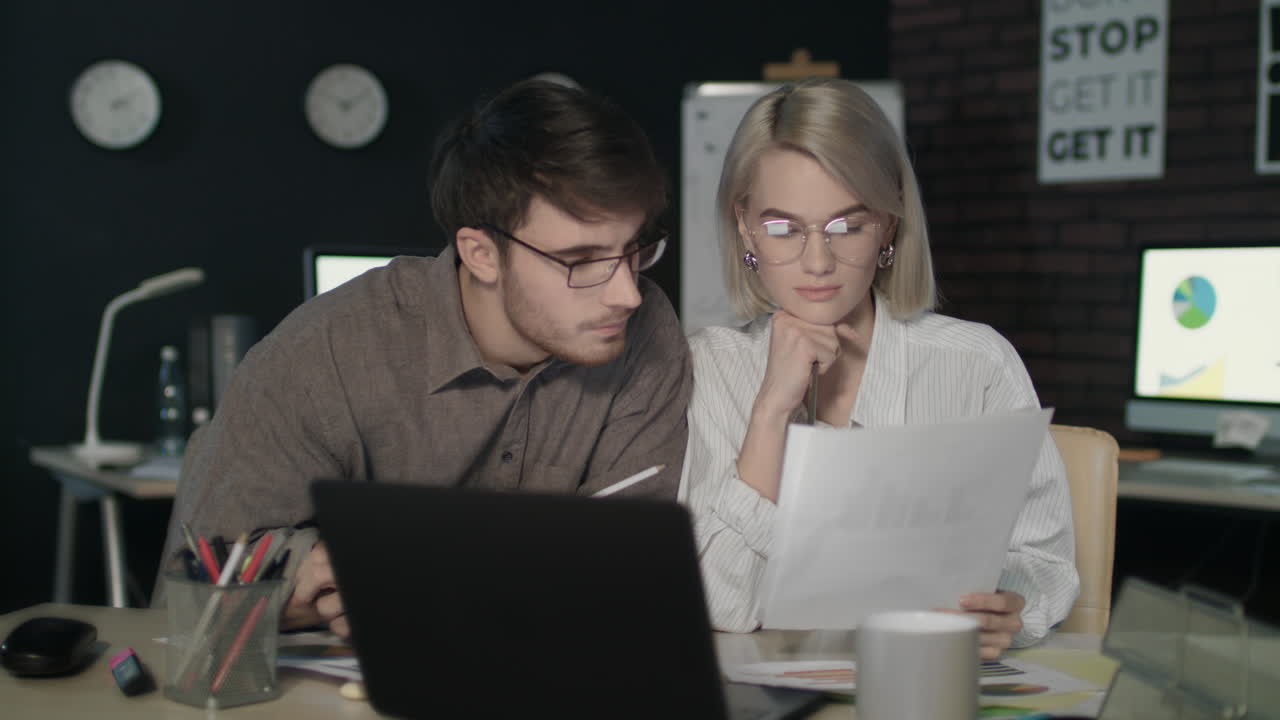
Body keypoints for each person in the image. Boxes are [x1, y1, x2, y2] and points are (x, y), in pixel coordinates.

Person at [161, 79, 693, 637]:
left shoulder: (646, 333)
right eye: (580, 261)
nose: (627, 293)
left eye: (634, 250)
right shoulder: (324, 351)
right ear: (481, 254)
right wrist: (291, 591)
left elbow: (634, 570)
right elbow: (192, 590)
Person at [679, 78, 1078, 658]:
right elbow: (722, 605)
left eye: (848, 225)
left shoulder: (977, 365)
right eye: (784, 228)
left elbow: (1045, 568)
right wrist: (770, 412)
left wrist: (1010, 607)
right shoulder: (710, 368)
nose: (817, 261)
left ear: (889, 223)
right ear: (744, 226)